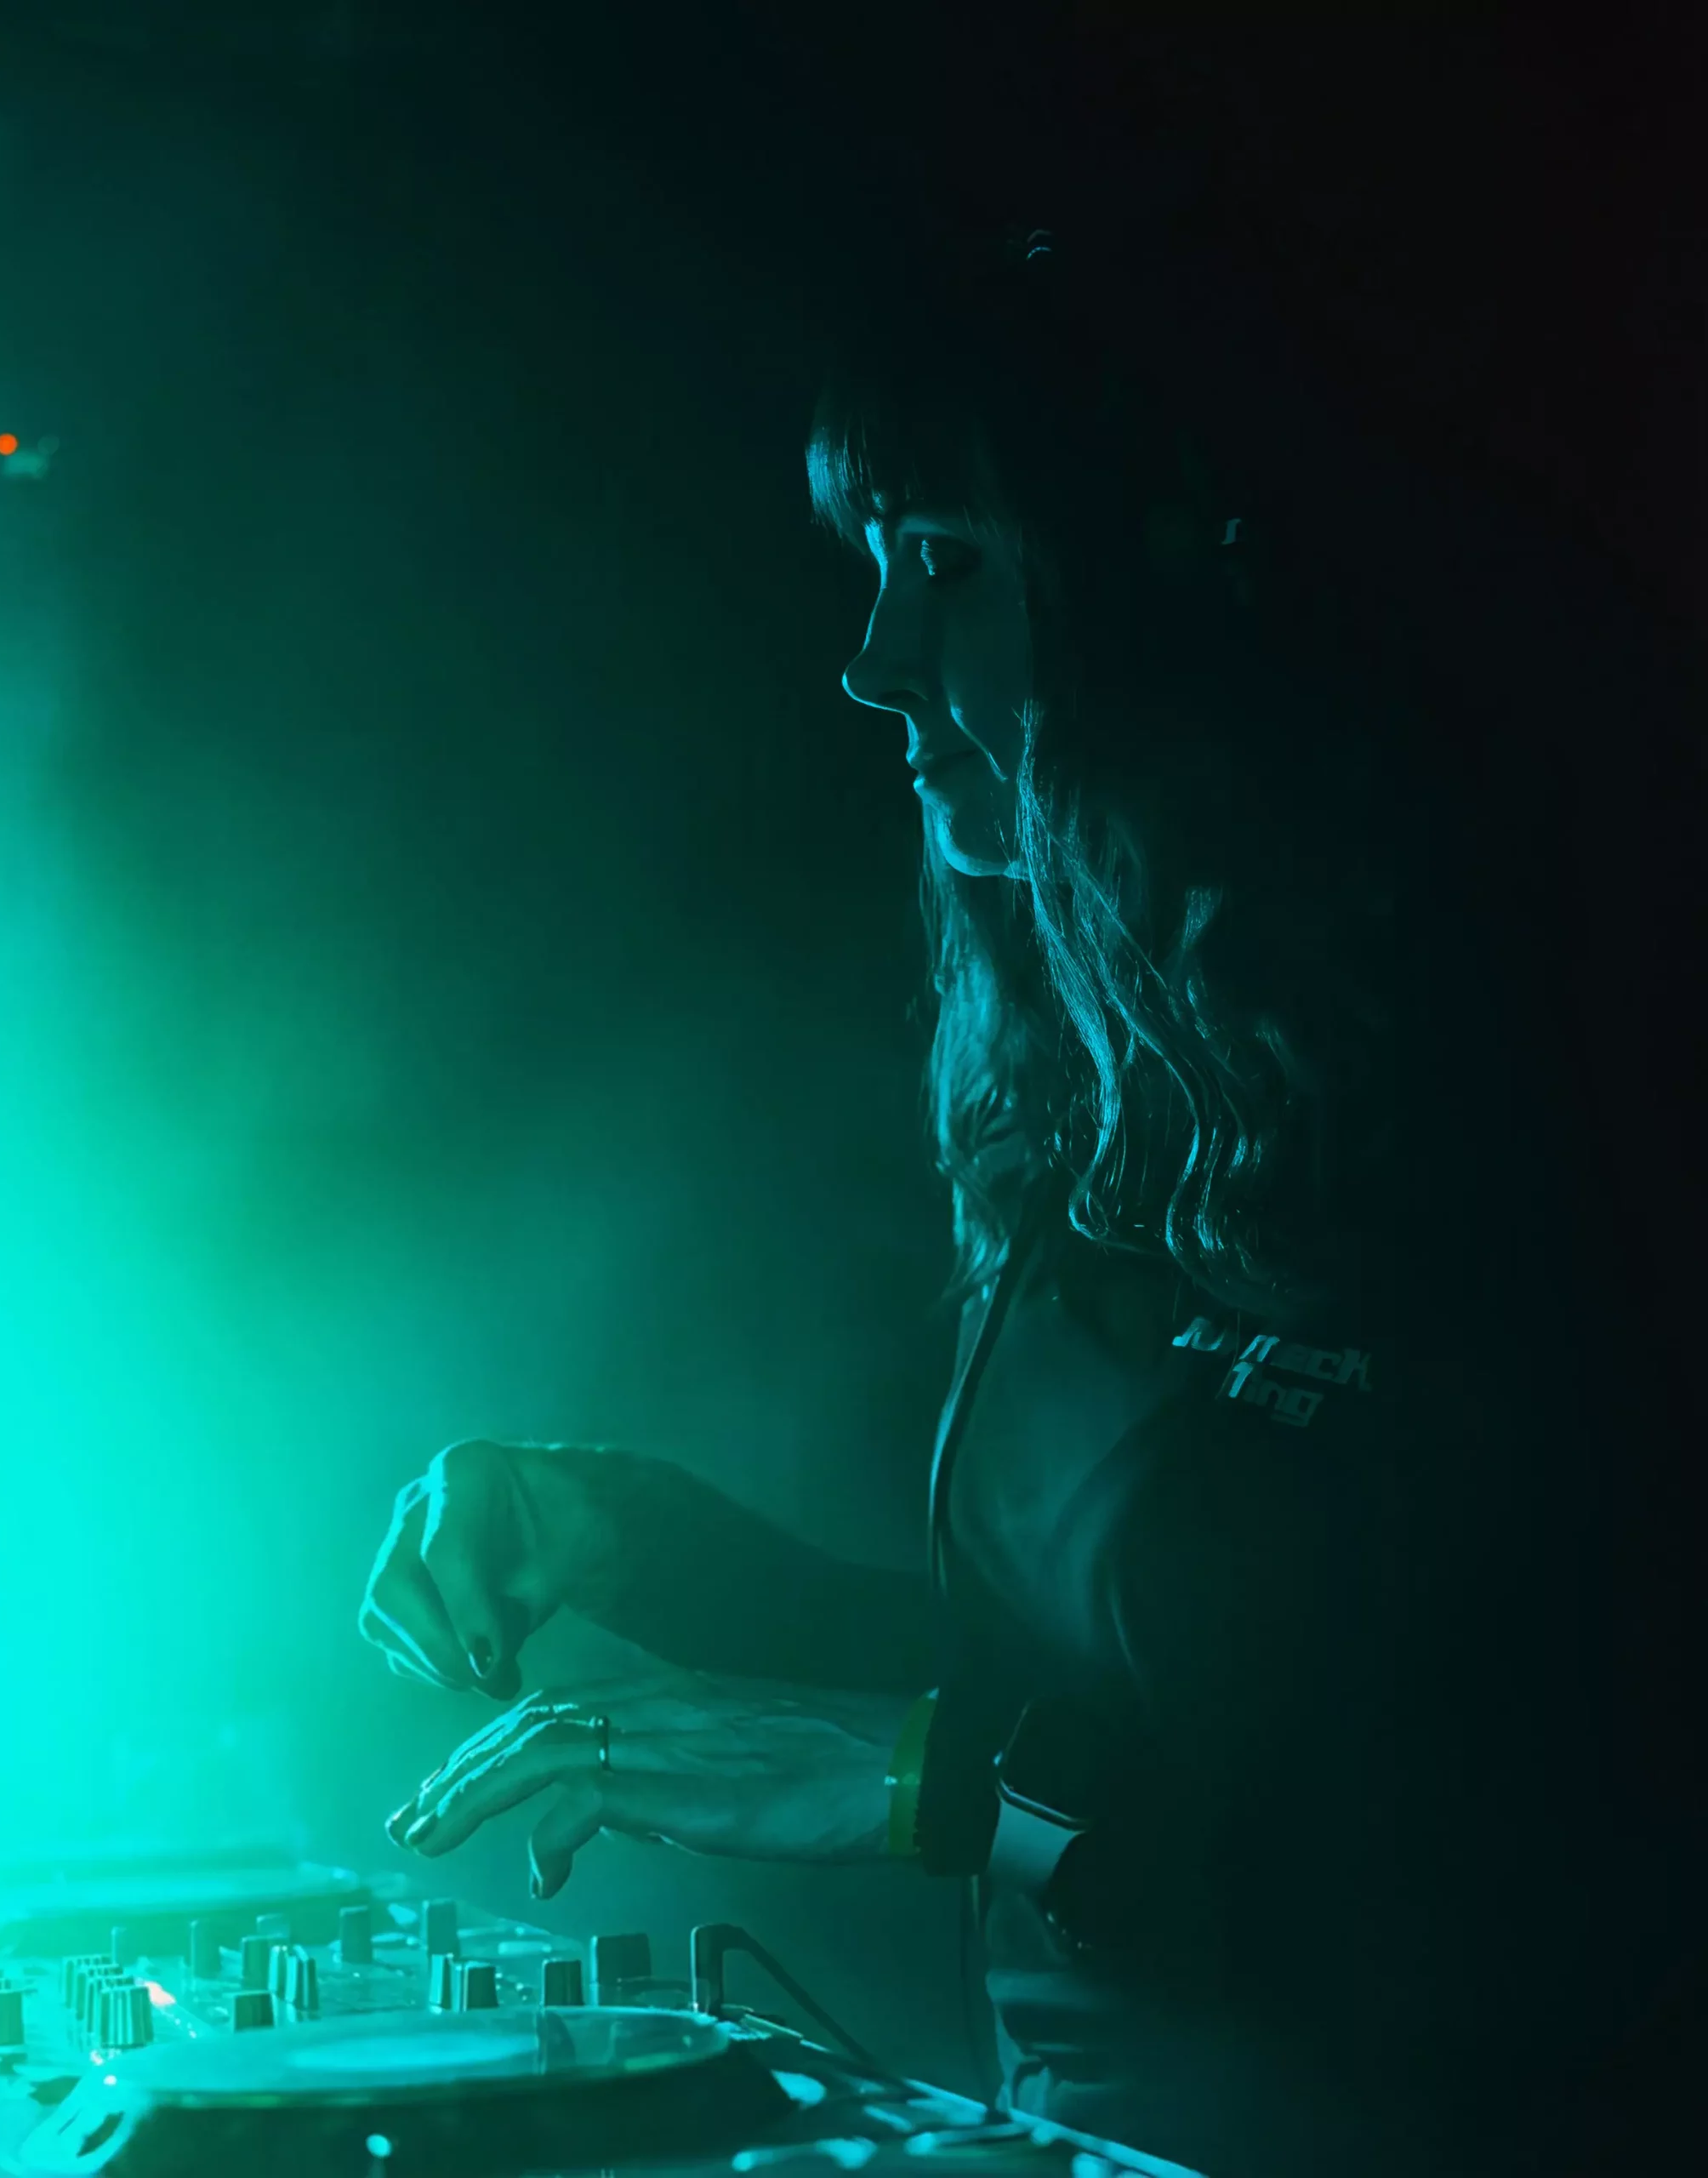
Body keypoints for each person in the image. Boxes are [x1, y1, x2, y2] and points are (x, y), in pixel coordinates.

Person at [357, 215, 1703, 2176]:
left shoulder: (1524, 1093)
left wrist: (940, 1784)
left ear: (1182, 589)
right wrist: (620, 1536)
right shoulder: (1090, 1107)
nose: (871, 657)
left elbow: (1516, 1840)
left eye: (949, 562)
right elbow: (1051, 1687)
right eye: (874, 564)